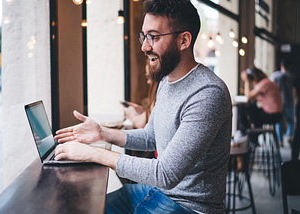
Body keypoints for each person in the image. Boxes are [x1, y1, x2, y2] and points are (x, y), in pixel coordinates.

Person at [54, 0, 232, 213]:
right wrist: (102, 133)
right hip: (158, 192)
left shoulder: (208, 93)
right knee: (87, 207)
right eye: (144, 36)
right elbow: (152, 136)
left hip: (189, 206)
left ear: (184, 40)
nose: (144, 46)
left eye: (154, 37)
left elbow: (166, 174)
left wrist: (93, 154)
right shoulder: (166, 81)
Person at [239, 66, 283, 144]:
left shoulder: (264, 83)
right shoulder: (268, 82)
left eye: (251, 79)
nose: (252, 82)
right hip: (277, 114)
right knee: (253, 111)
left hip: (272, 115)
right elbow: (265, 98)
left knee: (245, 108)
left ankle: (249, 134)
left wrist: (246, 81)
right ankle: (252, 135)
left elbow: (248, 96)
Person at [123, 59, 159, 129]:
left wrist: (132, 115)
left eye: (148, 77)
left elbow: (141, 123)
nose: (148, 82)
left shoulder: (159, 94)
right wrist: (143, 113)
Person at [271, 58, 294, 147]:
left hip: (278, 102)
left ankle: (280, 140)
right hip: (289, 101)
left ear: (281, 65)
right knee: (290, 121)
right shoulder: (292, 77)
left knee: (279, 121)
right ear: (289, 67)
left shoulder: (275, 76)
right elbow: (294, 91)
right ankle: (289, 136)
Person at [292, 70, 300, 160]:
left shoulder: (298, 76)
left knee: (298, 131)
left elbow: (294, 92)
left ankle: (294, 159)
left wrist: (296, 100)